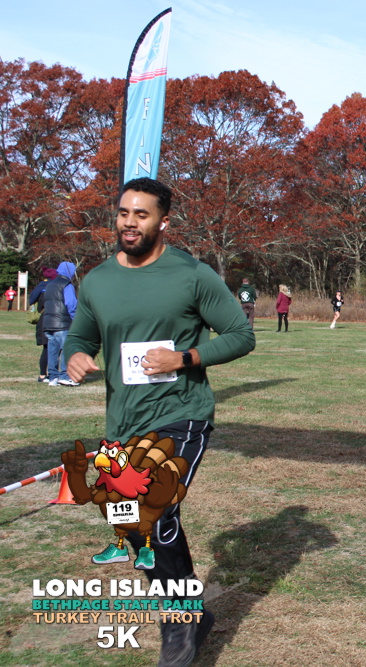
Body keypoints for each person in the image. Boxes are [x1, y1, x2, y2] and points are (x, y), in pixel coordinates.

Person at [64, 177, 255, 667]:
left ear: (163, 221)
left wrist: (183, 358)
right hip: (123, 422)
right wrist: (75, 356)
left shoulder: (192, 274)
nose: (129, 223)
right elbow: (80, 337)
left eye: (141, 214)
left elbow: (240, 334)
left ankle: (177, 619)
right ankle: (191, 610)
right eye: (123, 213)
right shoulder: (98, 280)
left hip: (181, 414)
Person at [42, 262, 78, 386]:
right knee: (67, 349)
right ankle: (65, 376)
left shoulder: (49, 284)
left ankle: (53, 377)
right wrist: (75, 319)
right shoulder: (67, 285)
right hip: (62, 323)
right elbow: (71, 304)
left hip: (48, 323)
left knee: (52, 351)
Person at [28, 267, 58, 382]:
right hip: (52, 319)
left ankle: (43, 375)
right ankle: (49, 374)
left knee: (47, 348)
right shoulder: (54, 287)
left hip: (42, 320)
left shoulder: (40, 287)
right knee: (53, 348)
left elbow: (31, 300)